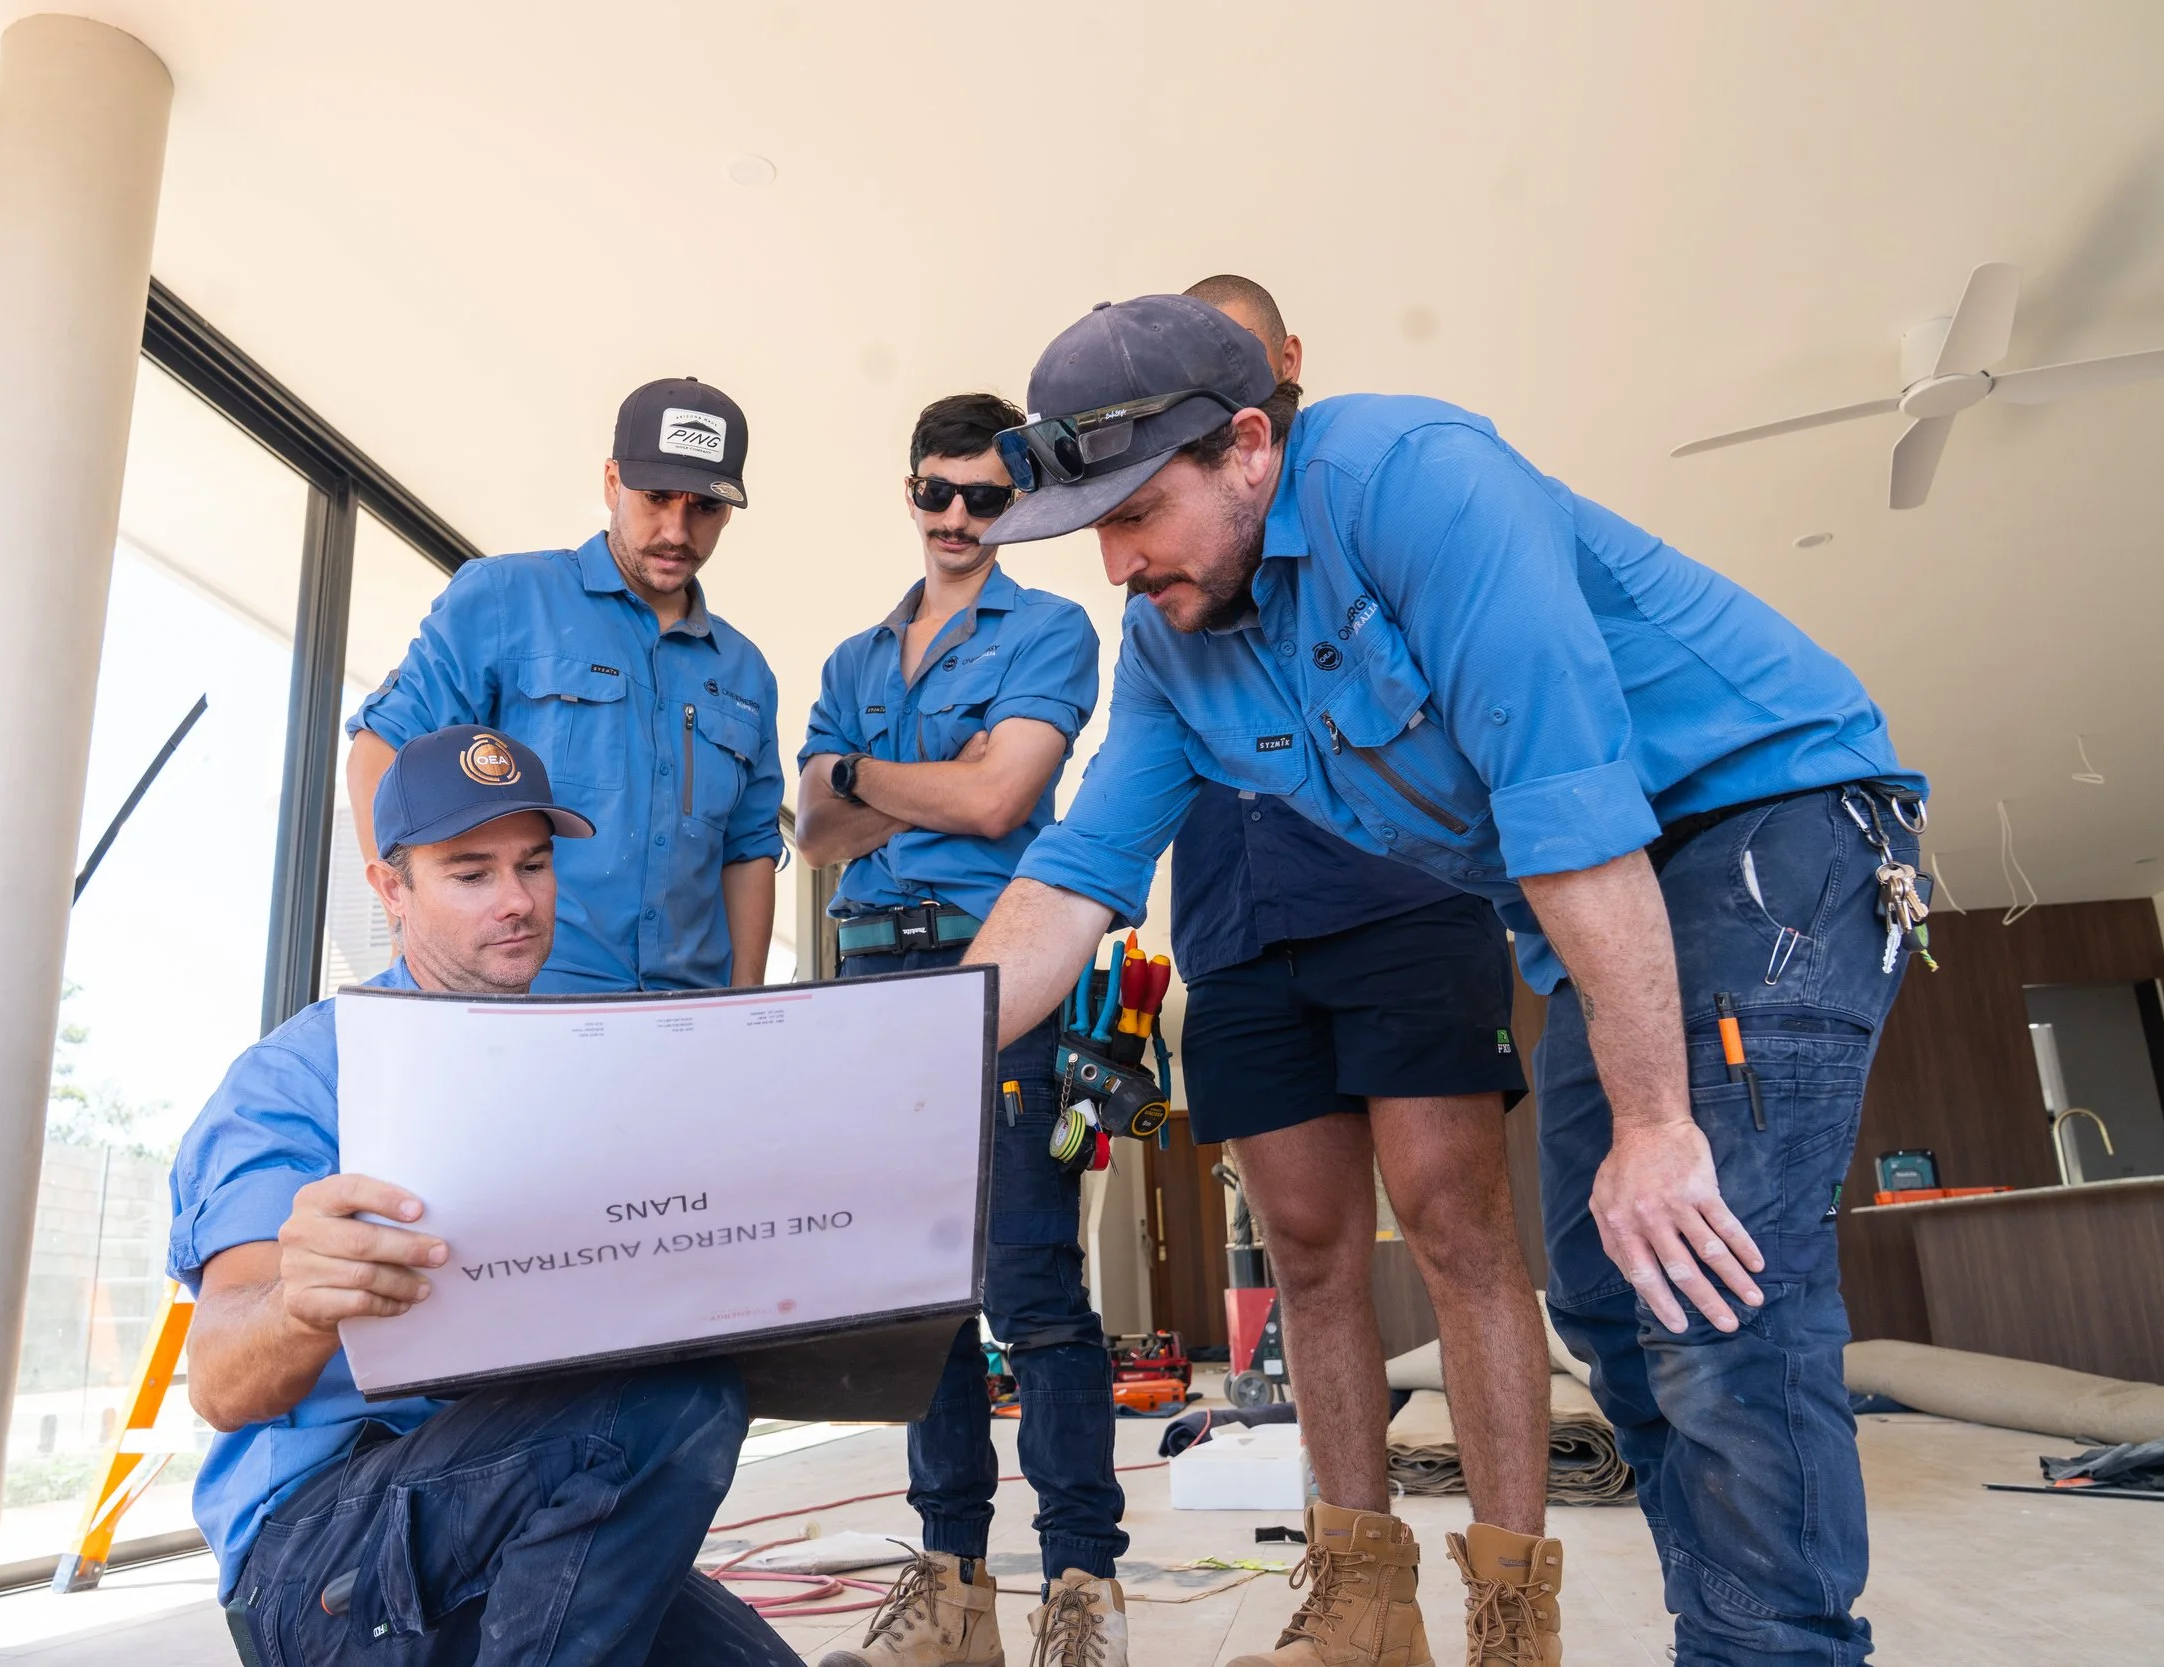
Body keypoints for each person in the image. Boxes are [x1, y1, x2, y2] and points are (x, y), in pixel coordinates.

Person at [965, 294, 1928, 1667]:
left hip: (1769, 827)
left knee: (1709, 1288)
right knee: (1602, 1298)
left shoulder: (1418, 483)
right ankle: (1730, 1632)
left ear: (1250, 444)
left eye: (1136, 511)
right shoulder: (1175, 643)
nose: (1114, 559)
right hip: (1611, 905)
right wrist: (892, 1058)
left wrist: (1660, 1126)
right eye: (1092, 529)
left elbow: (1568, 801)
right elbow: (1072, 880)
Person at [171, 725, 798, 1667]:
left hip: (524, 1489)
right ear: (392, 889)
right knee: (673, 1393)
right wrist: (301, 1303)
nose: (517, 902)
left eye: (534, 865)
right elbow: (221, 1379)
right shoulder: (297, 1080)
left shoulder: (581, 1065)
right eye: (470, 873)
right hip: (321, 1551)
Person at [1165, 274, 1554, 1656]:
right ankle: (1361, 1604)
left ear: (1285, 371)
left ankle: (1512, 1606)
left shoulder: (1374, 507)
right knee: (1311, 1259)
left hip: (1406, 907)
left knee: (1458, 1231)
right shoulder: (1170, 582)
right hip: (1235, 932)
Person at [794, 394, 1121, 1666]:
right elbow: (810, 833)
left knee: (1030, 1287)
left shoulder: (1052, 628)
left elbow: (1000, 799)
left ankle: (1084, 1585)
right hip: (869, 976)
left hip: (998, 973)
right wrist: (881, 793)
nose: (958, 519)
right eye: (938, 490)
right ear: (910, 486)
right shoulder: (852, 660)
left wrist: (864, 778)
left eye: (986, 498)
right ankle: (952, 1585)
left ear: (1016, 506)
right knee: (914, 1293)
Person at [346, 377, 784, 993]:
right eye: (656, 497)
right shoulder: (506, 599)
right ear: (612, 482)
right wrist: (416, 949)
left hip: (692, 1014)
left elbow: (749, 850)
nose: (677, 531)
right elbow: (379, 753)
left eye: (704, 507)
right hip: (531, 999)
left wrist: (744, 1009)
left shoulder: (746, 673)